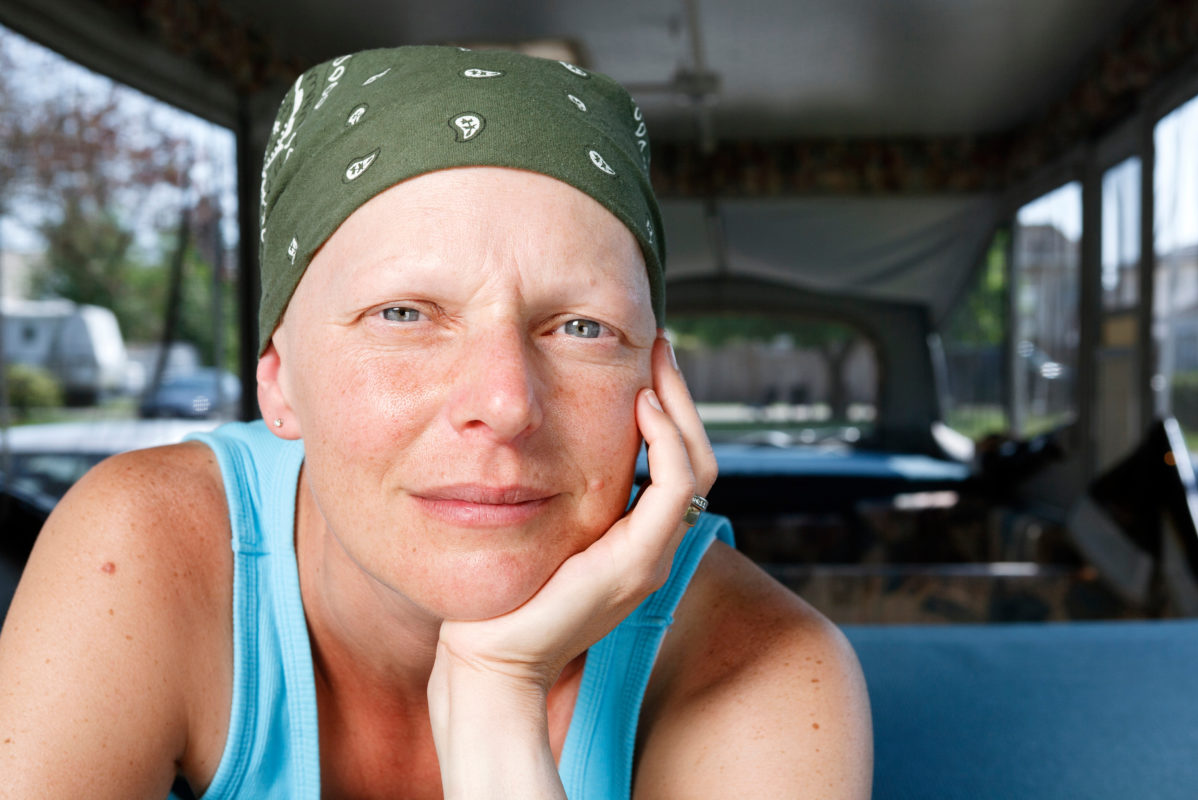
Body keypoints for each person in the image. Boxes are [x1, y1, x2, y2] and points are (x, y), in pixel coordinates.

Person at [0, 46, 871, 798]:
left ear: (660, 386)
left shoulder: (766, 667)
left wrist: (495, 696)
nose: (504, 403)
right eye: (405, 315)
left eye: (580, 328)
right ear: (279, 383)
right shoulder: (143, 549)